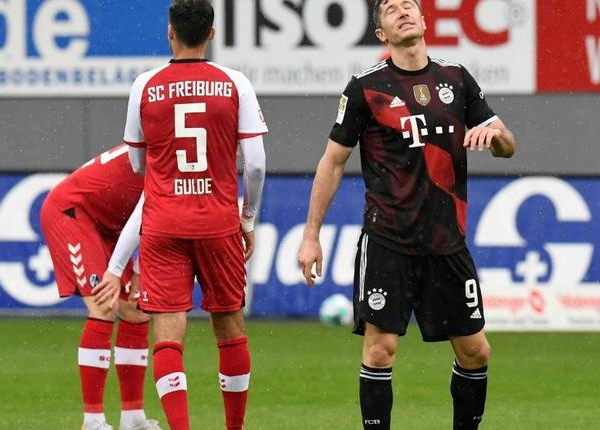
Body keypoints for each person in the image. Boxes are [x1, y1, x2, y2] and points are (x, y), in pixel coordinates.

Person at [297, 1, 515, 428]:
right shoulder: (365, 87)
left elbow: (507, 143)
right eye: (391, 10)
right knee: (380, 350)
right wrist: (311, 235)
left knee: (476, 351)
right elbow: (333, 161)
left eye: (409, 5)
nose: (402, 11)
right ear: (382, 34)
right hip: (388, 241)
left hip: (446, 240)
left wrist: (497, 136)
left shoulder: (455, 78)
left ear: (423, 19)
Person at [116, 1, 268, 429]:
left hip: (163, 224)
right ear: (212, 34)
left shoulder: (145, 85)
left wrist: (167, 178)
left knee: (167, 335)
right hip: (218, 222)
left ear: (170, 32)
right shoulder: (235, 82)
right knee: (230, 326)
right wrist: (247, 218)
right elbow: (255, 162)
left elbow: (135, 163)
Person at [39, 144, 160, 430]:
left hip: (111, 224)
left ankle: (133, 418)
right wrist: (134, 271)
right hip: (73, 212)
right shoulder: (168, 156)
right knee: (104, 304)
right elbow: (153, 217)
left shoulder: (172, 143)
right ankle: (92, 421)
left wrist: (139, 273)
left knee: (136, 309)